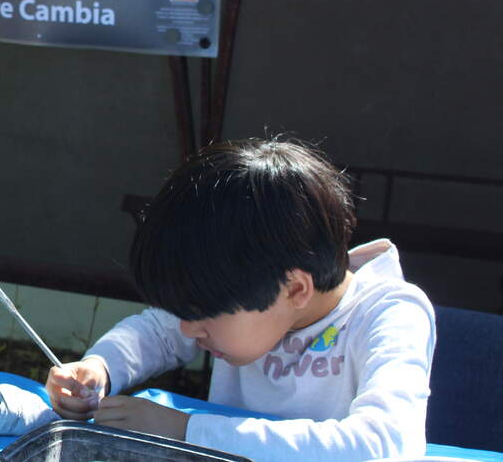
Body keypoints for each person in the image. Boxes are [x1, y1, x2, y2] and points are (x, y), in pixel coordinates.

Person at [45, 138, 435, 461]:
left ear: (295, 289)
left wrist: (184, 431)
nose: (185, 328)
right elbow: (157, 331)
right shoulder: (250, 289)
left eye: (201, 314)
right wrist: (99, 369)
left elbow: (385, 448)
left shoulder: (389, 315)